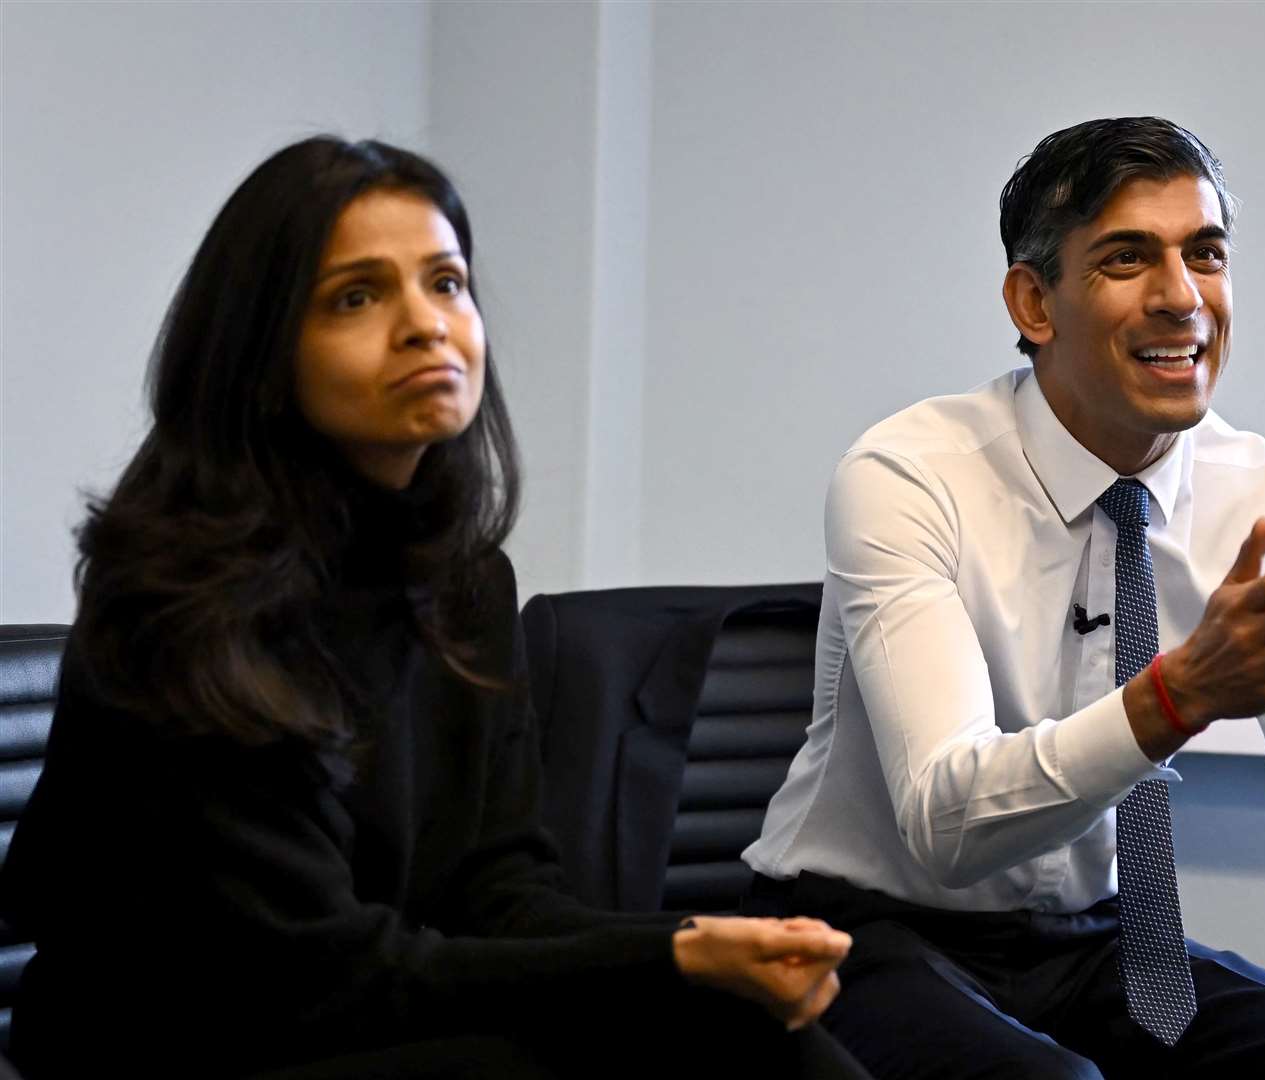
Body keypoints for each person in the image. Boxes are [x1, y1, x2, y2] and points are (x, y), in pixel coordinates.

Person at [0, 136, 871, 1080]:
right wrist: (665, 958)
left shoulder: (462, 581)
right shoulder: (181, 606)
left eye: (446, 283)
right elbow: (316, 972)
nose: (425, 325)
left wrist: (706, 948)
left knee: (742, 1023)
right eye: (357, 297)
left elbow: (500, 889)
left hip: (370, 1004)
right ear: (260, 352)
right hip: (183, 1043)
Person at [741, 117, 1265, 1078]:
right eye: (1128, 259)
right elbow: (946, 825)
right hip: (856, 932)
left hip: (1093, 941)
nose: (1182, 297)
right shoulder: (908, 473)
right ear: (1035, 302)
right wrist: (1176, 700)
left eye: (1206, 253)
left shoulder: (1259, 491)